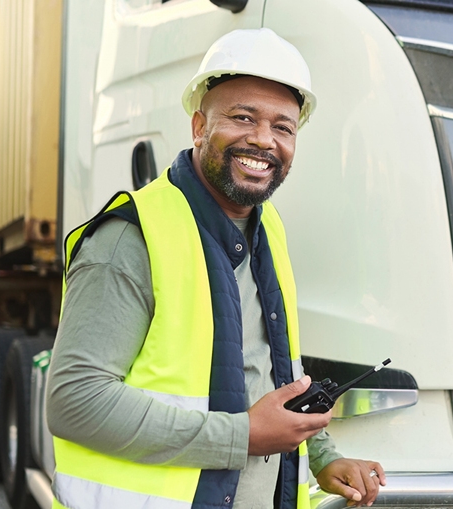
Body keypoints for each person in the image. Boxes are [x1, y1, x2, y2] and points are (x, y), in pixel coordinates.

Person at [46, 28, 385, 509]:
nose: (263, 140)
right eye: (243, 118)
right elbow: (75, 401)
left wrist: (323, 457)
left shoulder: (269, 231)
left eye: (283, 127)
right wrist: (242, 435)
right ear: (199, 126)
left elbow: (268, 373)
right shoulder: (131, 236)